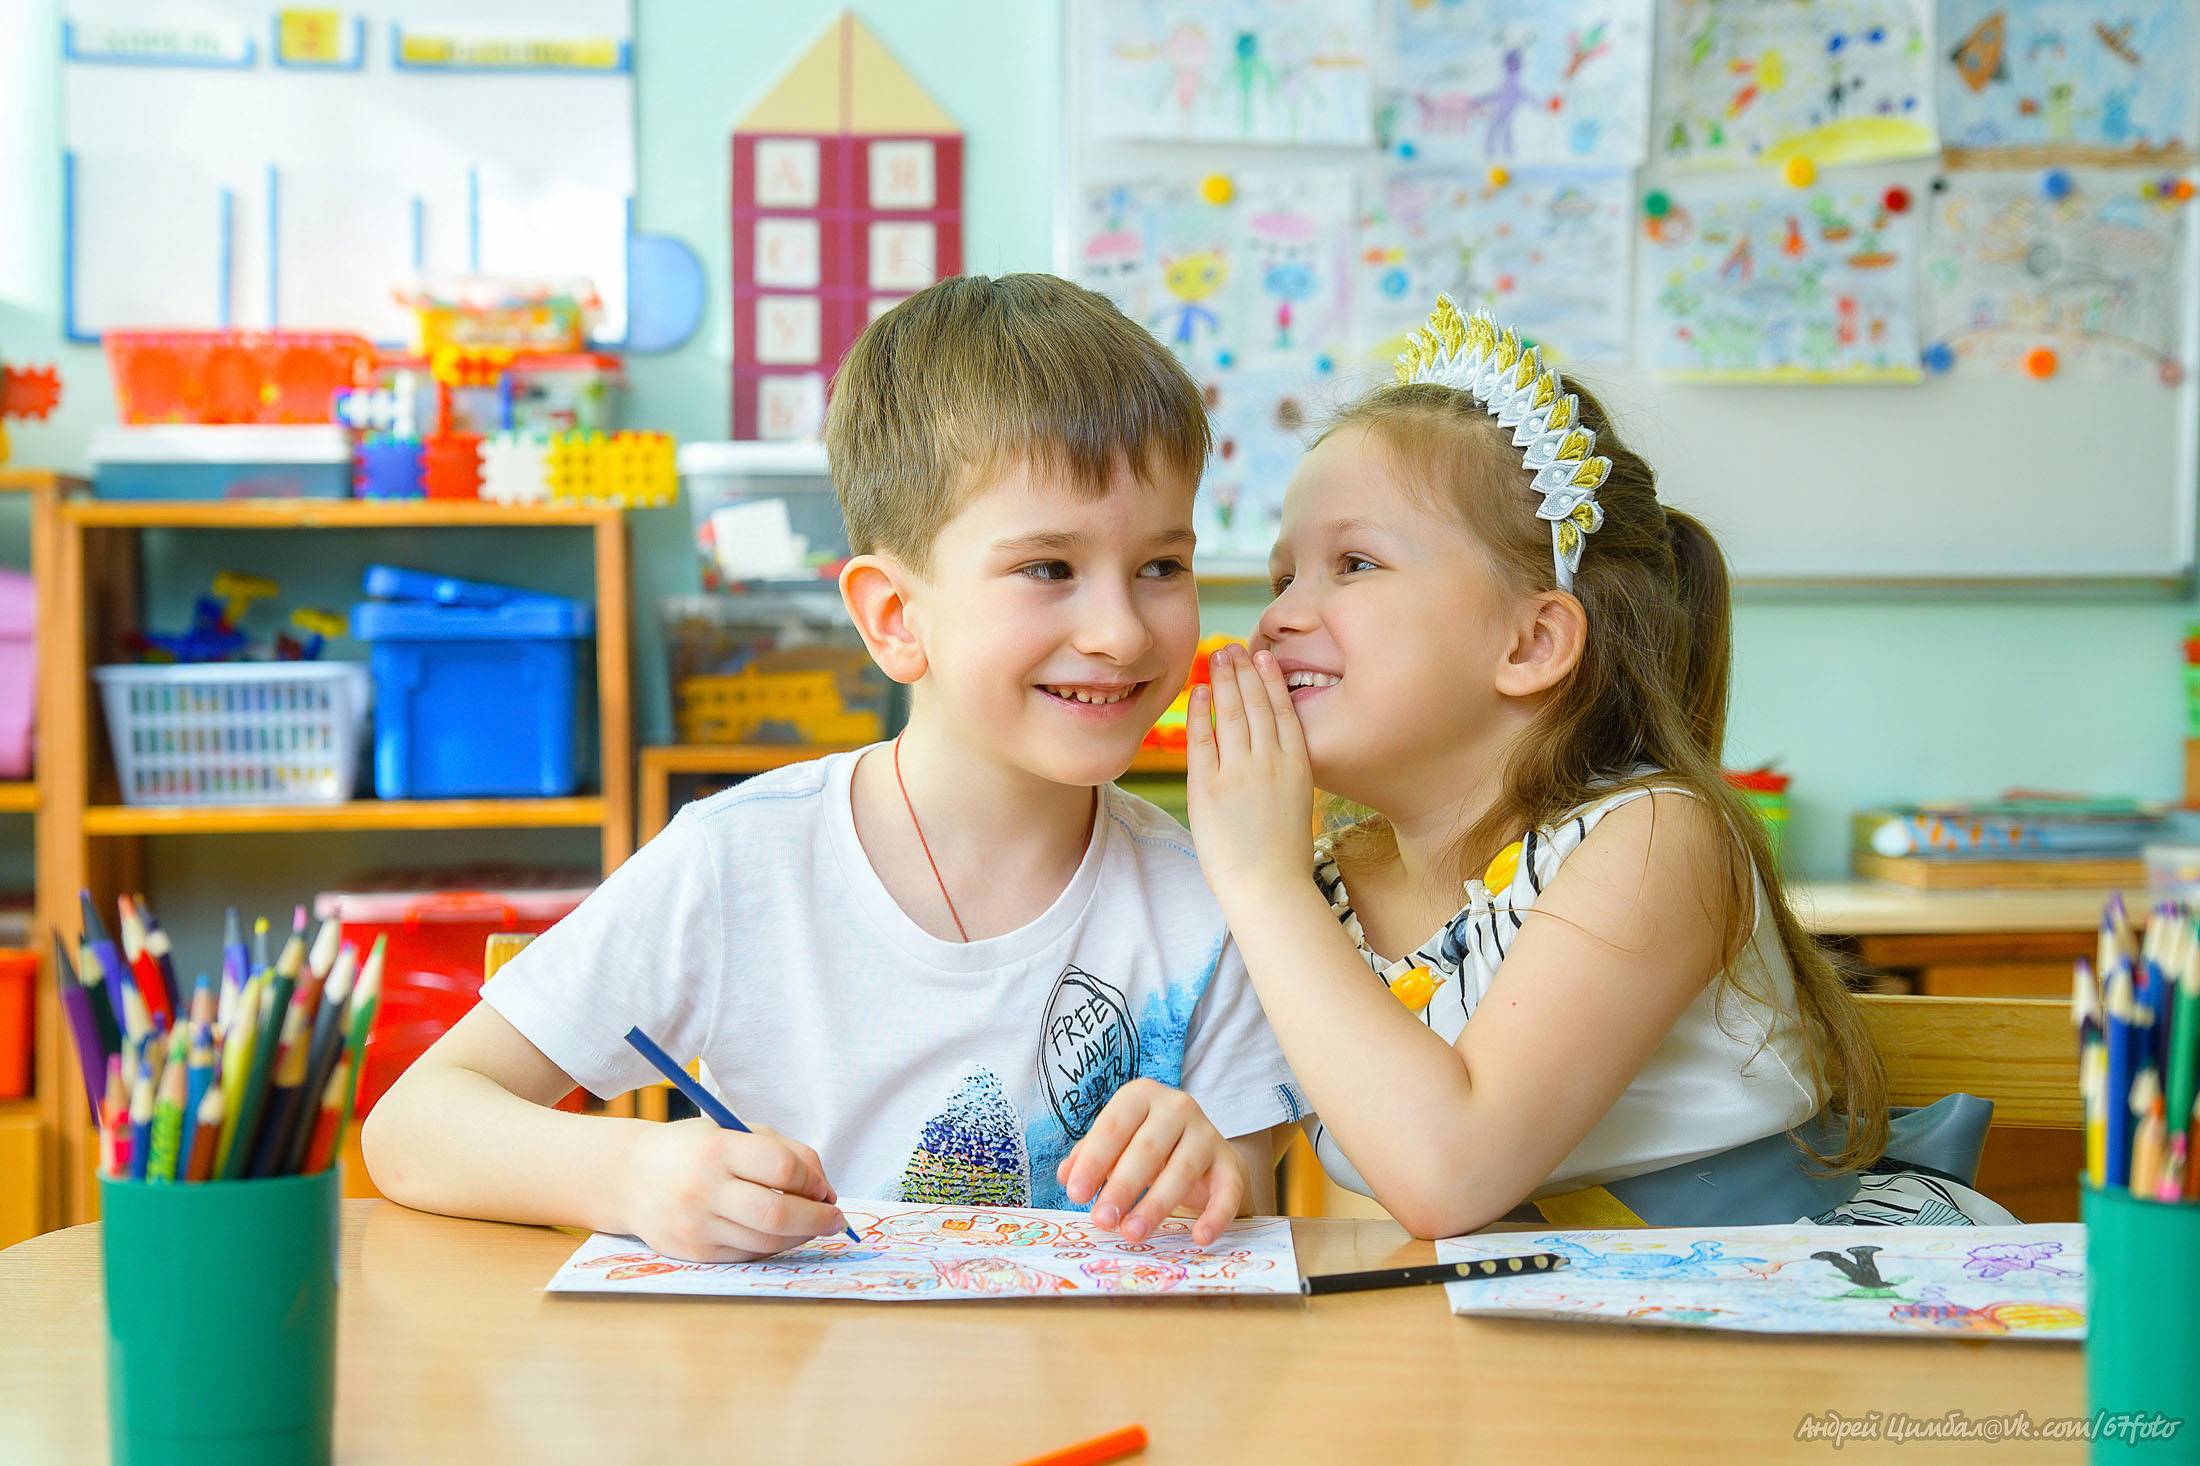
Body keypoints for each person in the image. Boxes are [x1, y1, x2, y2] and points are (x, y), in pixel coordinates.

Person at [365, 274, 1305, 1260]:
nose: (1119, 631)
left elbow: (1238, 1193)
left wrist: (1207, 1169)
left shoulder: (1215, 893)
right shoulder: (737, 861)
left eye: (1161, 565)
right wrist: (633, 1172)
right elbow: (411, 1125)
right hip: (802, 1402)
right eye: (1048, 569)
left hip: (1109, 1401)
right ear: (895, 618)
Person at [1155, 298, 2015, 1234]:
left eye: (1353, 563)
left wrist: (1259, 880)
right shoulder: (1319, 885)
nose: (1278, 615)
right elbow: (1266, 1152)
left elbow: (1448, 1172)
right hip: (1548, 1343)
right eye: (1284, 577)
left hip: (1802, 1315)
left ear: (1530, 643)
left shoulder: (1656, 839)